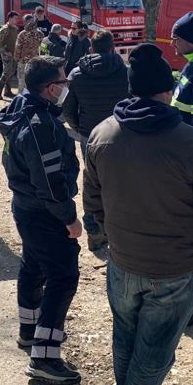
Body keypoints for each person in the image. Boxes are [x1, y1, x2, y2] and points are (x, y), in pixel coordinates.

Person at [84, 43, 193, 385]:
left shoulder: (102, 133)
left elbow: (93, 200)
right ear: (168, 91)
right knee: (154, 349)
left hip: (123, 260)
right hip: (177, 267)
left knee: (125, 335)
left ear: (131, 88)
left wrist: (112, 236)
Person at [0, 57, 82, 385]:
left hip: (26, 206)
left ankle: (30, 330)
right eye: (63, 82)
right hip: (44, 211)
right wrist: (70, 218)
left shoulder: (22, 108)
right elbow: (50, 181)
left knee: (33, 266)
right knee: (63, 276)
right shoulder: (40, 124)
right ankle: (44, 356)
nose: (66, 87)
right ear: (51, 88)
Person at [62, 29, 129, 251]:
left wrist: (78, 128)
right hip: (120, 134)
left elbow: (68, 108)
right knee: (119, 182)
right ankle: (117, 230)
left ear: (90, 49)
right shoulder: (125, 72)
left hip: (89, 135)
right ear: (113, 48)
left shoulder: (76, 74)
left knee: (92, 182)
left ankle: (94, 232)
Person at [13, 15, 44, 94]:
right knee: (34, 82)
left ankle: (22, 99)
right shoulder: (40, 33)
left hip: (24, 62)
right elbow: (42, 48)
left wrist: (17, 60)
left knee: (22, 83)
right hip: (36, 62)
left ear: (25, 22)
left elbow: (18, 48)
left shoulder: (22, 34)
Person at [0, 11, 21, 99]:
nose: (17, 20)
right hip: (7, 55)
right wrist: (5, 52)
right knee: (6, 73)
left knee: (11, 72)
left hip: (13, 55)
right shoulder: (5, 29)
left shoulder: (14, 28)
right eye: (15, 18)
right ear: (10, 19)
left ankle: (7, 91)